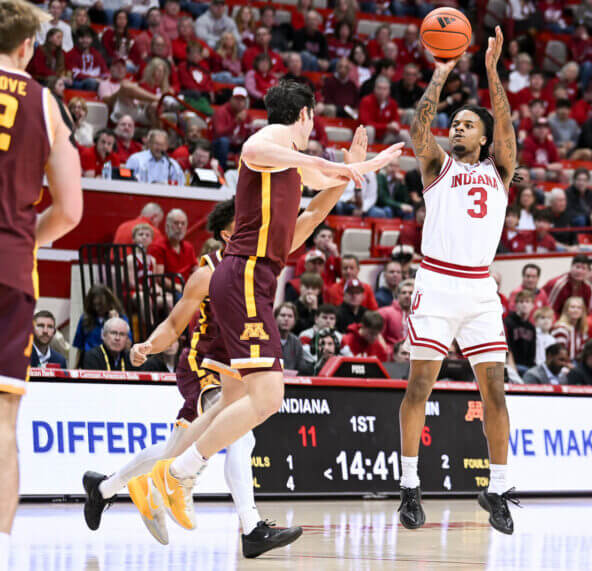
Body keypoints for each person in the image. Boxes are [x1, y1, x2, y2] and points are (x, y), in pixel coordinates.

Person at [125, 81, 401, 544]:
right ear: (306, 114)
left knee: (236, 402)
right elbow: (259, 149)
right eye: (313, 119)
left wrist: (350, 170)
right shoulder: (269, 140)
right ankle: (176, 476)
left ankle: (159, 483)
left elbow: (316, 199)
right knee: (269, 397)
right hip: (246, 274)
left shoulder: (287, 168)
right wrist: (344, 167)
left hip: (254, 276)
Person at [86, 199, 306, 557]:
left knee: (175, 450)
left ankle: (104, 489)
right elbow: (175, 323)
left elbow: (305, 222)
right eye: (246, 221)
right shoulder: (208, 272)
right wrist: (149, 345)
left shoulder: (260, 262)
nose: (255, 225)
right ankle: (251, 528)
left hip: (237, 368)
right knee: (241, 437)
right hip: (204, 366)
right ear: (228, 233)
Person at [397, 27, 518, 535]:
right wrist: (441, 73)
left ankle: (498, 488)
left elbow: (506, 124)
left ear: (484, 138)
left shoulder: (501, 169)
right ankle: (409, 485)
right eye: (456, 124)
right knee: (420, 385)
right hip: (438, 283)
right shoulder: (437, 166)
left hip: (480, 290)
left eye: (468, 125)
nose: (459, 129)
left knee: (495, 393)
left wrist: (491, 70)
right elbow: (418, 127)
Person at [148, 209, 197, 283]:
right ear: (167, 226)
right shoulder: (157, 247)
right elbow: (159, 278)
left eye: (183, 223)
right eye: (176, 223)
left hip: (187, 286)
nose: (180, 226)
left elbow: (196, 269)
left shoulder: (188, 247)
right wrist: (179, 287)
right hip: (169, 288)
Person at [505, 290, 536, 375]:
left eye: (527, 301)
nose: (524, 304)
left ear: (532, 305)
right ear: (516, 305)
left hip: (527, 367)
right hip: (512, 365)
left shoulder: (531, 327)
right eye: (521, 301)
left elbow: (532, 353)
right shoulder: (508, 322)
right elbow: (507, 348)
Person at [275, 302, 311, 374]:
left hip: (291, 380)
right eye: (282, 315)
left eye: (290, 316)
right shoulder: (268, 340)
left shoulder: (296, 342)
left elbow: (301, 367)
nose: (286, 319)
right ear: (275, 318)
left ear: (294, 321)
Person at [550, 296, 589, 362]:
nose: (576, 310)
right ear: (566, 310)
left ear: (582, 312)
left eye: (579, 308)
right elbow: (558, 354)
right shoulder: (561, 328)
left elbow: (583, 351)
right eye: (572, 307)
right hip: (563, 364)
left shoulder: (581, 330)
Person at [377, 279, 413, 347]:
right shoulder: (384, 312)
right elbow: (378, 336)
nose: (407, 296)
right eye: (404, 293)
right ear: (398, 295)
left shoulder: (418, 316)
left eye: (411, 293)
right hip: (391, 351)